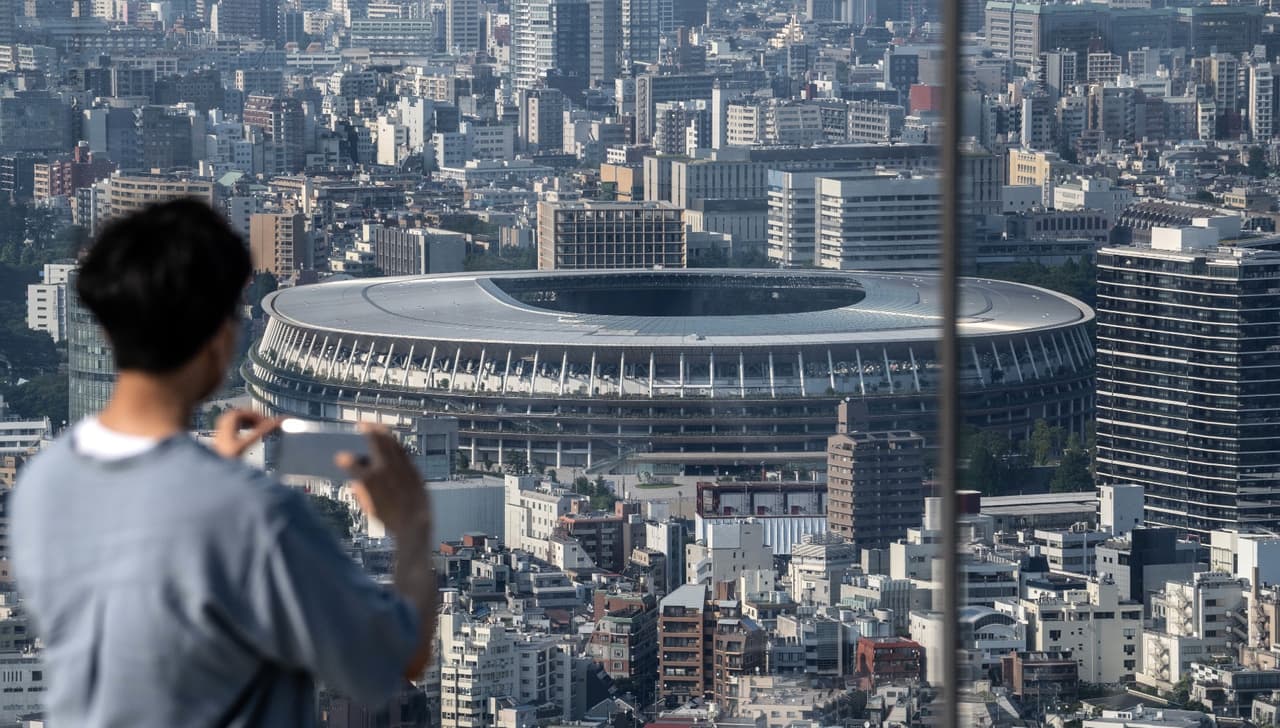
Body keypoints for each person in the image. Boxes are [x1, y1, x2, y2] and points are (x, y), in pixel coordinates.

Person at [11, 199, 437, 726]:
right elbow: (396, 659)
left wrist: (211, 472)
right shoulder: (252, 516)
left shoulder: (42, 482)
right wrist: (413, 526)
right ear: (220, 338)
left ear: (104, 330)